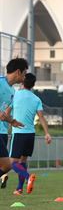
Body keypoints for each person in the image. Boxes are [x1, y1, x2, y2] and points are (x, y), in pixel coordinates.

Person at [7, 73, 51, 195]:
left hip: (19, 132)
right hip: (30, 134)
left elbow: (6, 112)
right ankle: (19, 189)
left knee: (12, 163)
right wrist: (47, 133)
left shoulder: (15, 95)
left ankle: (28, 177)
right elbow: (41, 117)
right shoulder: (36, 99)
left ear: (22, 81)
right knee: (23, 162)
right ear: (33, 85)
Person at [0, 58, 28, 190]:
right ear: (18, 72)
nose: (24, 77)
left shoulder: (13, 91)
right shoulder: (0, 83)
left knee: (5, 166)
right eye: (24, 73)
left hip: (3, 131)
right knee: (7, 165)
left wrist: (11, 121)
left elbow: (4, 114)